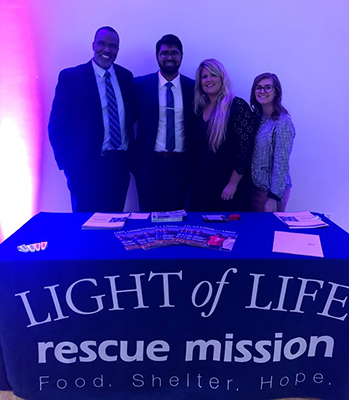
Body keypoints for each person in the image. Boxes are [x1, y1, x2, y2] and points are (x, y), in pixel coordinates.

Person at [48, 26, 133, 212]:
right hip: (85, 168)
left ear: (117, 49)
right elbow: (56, 125)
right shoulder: (71, 77)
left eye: (113, 46)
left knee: (114, 223)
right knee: (85, 227)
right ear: (93, 45)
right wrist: (68, 165)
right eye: (102, 44)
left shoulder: (126, 77)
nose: (107, 50)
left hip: (118, 167)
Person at [132, 34, 195, 212]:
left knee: (179, 216)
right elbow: (128, 123)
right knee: (149, 217)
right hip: (150, 164)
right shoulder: (139, 85)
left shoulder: (193, 87)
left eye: (174, 53)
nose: (169, 57)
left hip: (182, 164)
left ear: (181, 56)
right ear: (157, 56)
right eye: (164, 53)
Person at [190, 59, 254, 211]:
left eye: (213, 75)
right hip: (202, 185)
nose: (209, 80)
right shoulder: (198, 109)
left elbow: (246, 150)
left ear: (222, 78)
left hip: (227, 187)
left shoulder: (237, 106)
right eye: (204, 77)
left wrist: (233, 184)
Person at [250, 73, 295, 212]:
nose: (262, 91)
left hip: (271, 192)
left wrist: (273, 198)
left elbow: (281, 163)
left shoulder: (283, 122)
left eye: (267, 87)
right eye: (258, 88)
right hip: (255, 188)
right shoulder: (256, 118)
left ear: (276, 91)